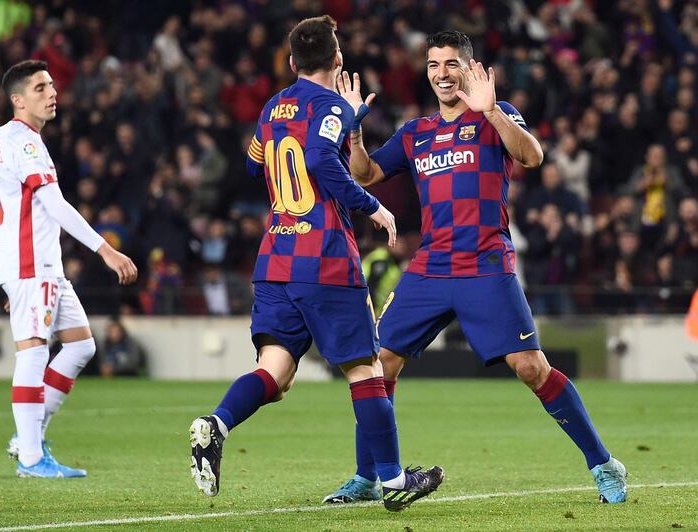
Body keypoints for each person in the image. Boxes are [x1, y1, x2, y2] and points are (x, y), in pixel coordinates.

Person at [324, 30, 627, 504]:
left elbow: (532, 156)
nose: (441, 74)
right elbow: (365, 175)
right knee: (378, 363)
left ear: (469, 67)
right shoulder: (415, 133)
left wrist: (490, 110)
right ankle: (368, 475)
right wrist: (356, 135)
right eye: (432, 65)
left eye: (450, 64)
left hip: (486, 265)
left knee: (530, 366)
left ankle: (603, 463)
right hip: (430, 266)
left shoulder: (496, 115)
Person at [189, 15, 443, 512]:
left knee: (276, 370)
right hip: (324, 258)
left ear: (291, 63)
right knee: (366, 370)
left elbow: (252, 164)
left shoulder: (271, 106)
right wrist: (375, 205)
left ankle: (215, 425)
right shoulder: (330, 107)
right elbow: (322, 162)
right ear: (338, 60)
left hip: (276, 259)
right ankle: (391, 481)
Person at [0, 60, 137, 478]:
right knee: (35, 350)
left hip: (35, 264)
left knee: (80, 345)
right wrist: (105, 250)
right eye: (40, 88)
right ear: (18, 100)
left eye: (52, 85)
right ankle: (32, 457)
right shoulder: (24, 142)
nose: (52, 92)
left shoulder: (10, 138)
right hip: (31, 263)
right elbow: (53, 205)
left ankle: (29, 438)